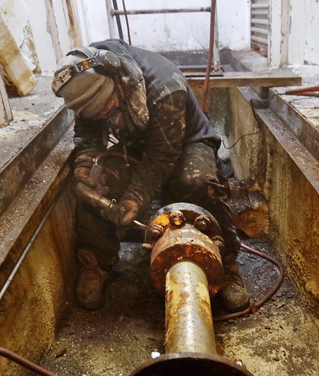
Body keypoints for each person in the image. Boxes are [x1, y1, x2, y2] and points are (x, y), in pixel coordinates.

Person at [52, 39, 250, 312]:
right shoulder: (86, 87)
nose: (105, 115)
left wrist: (134, 199)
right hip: (135, 145)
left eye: (108, 107)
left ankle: (226, 264)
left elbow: (161, 157)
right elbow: (86, 134)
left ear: (118, 80)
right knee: (96, 186)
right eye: (98, 113)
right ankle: (96, 262)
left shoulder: (165, 87)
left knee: (196, 183)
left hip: (185, 143)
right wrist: (86, 165)